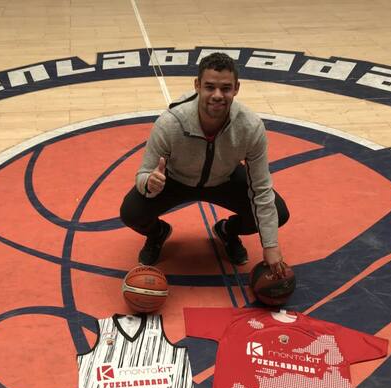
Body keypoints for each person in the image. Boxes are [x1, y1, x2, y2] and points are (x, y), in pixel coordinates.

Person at [119, 52, 290, 277]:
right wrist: (150, 183)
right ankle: (157, 233)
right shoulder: (170, 123)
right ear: (197, 85)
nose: (217, 95)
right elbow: (143, 173)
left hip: (224, 179)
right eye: (210, 87)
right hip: (175, 180)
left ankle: (228, 231)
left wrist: (270, 245)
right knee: (131, 212)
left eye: (226, 88)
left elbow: (261, 188)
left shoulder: (250, 127)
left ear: (236, 88)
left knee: (278, 212)